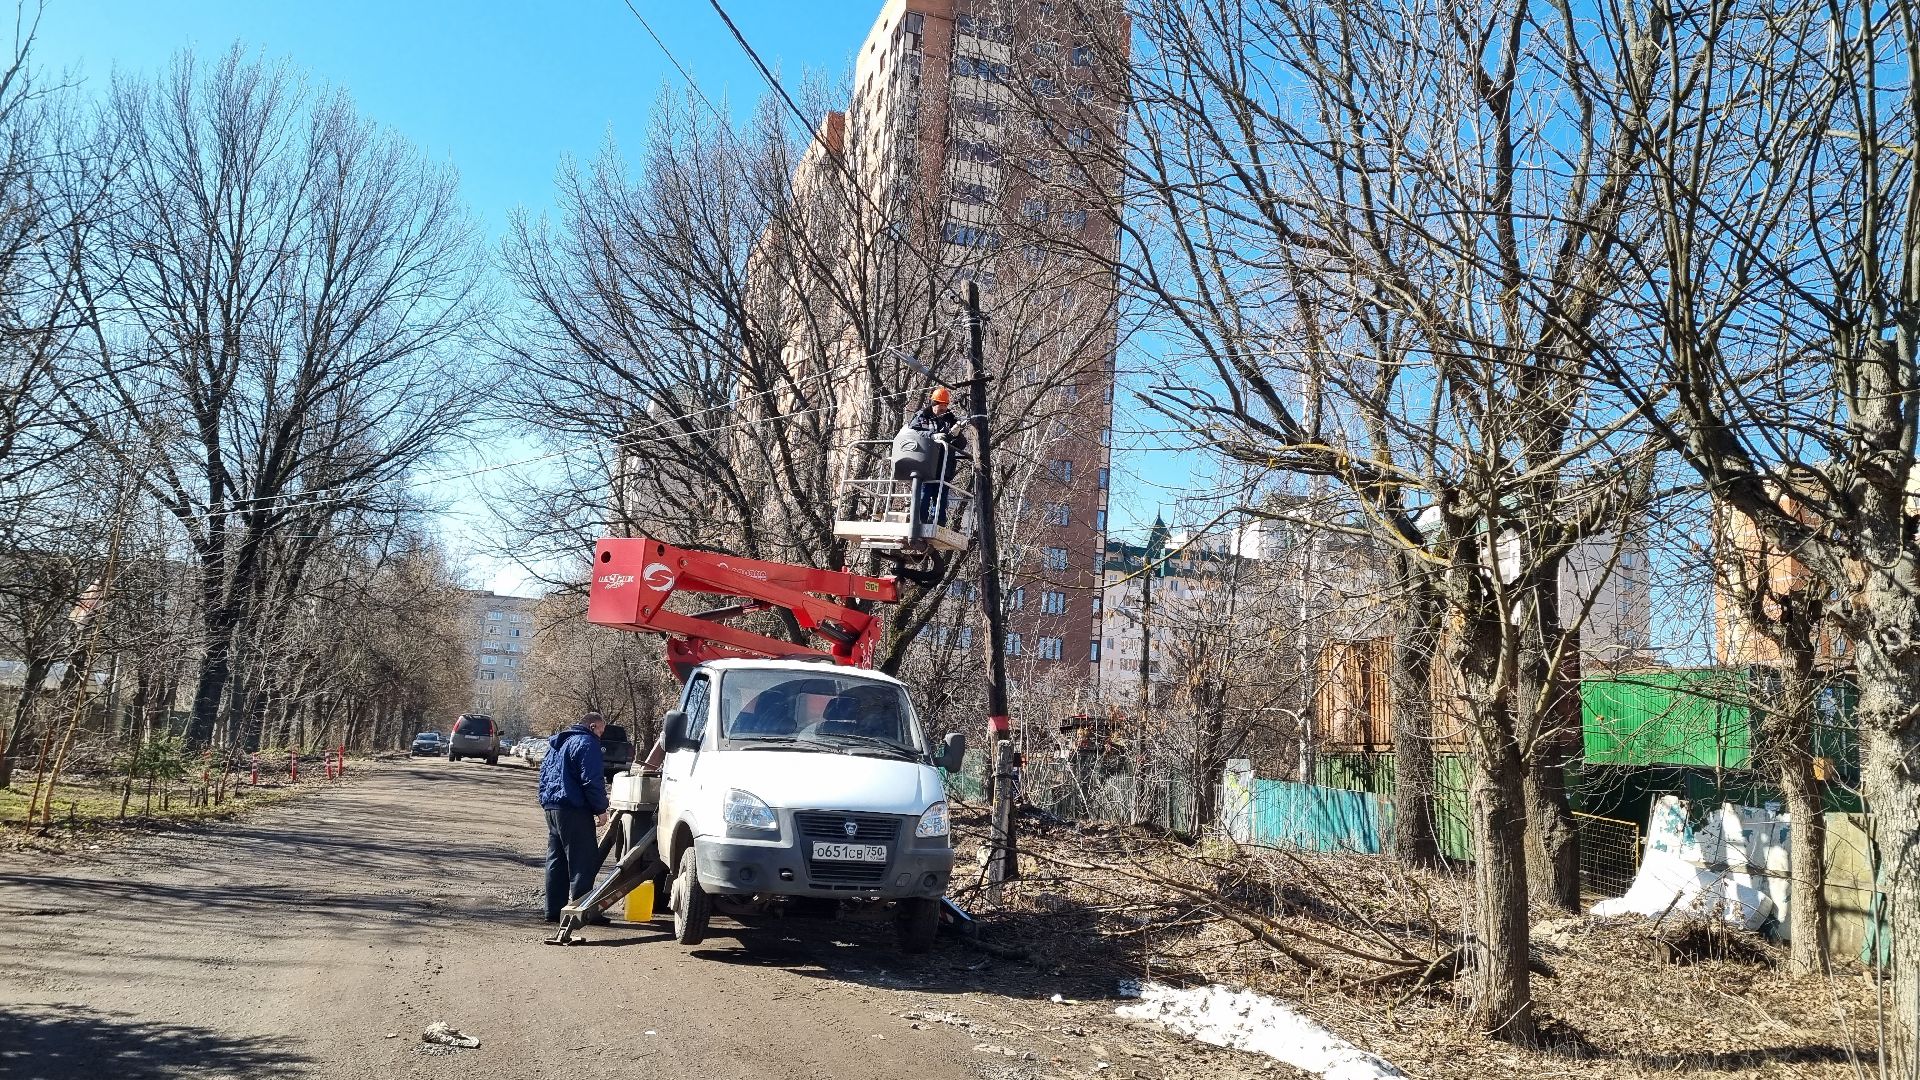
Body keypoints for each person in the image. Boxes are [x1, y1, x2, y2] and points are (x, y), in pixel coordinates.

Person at [538, 711, 610, 923]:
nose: (601, 736)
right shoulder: (587, 743)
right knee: (582, 861)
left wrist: (545, 801)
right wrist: (601, 809)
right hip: (574, 808)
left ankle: (553, 910)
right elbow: (592, 780)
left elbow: (544, 776)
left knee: (556, 860)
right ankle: (581, 912)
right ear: (592, 727)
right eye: (601, 731)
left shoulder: (557, 744)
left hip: (552, 808)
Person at [907, 387, 968, 525]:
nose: (944, 409)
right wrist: (932, 435)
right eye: (941, 406)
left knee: (940, 499)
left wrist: (956, 434)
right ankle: (918, 523)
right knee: (923, 496)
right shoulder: (922, 416)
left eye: (945, 406)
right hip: (926, 465)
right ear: (934, 404)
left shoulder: (950, 419)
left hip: (944, 467)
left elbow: (961, 445)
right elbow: (912, 434)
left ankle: (937, 525)